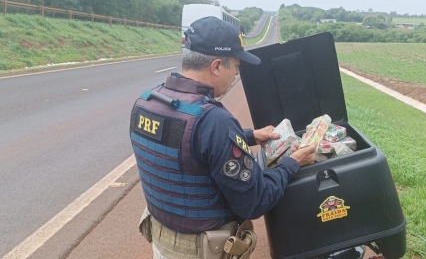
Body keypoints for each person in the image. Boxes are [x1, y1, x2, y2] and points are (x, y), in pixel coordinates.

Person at [129, 16, 317, 259]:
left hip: (162, 242)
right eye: (236, 68)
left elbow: (189, 151)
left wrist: (248, 136)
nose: (236, 75)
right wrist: (293, 163)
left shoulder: (147, 101)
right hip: (202, 250)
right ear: (217, 66)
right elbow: (255, 202)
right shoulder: (214, 121)